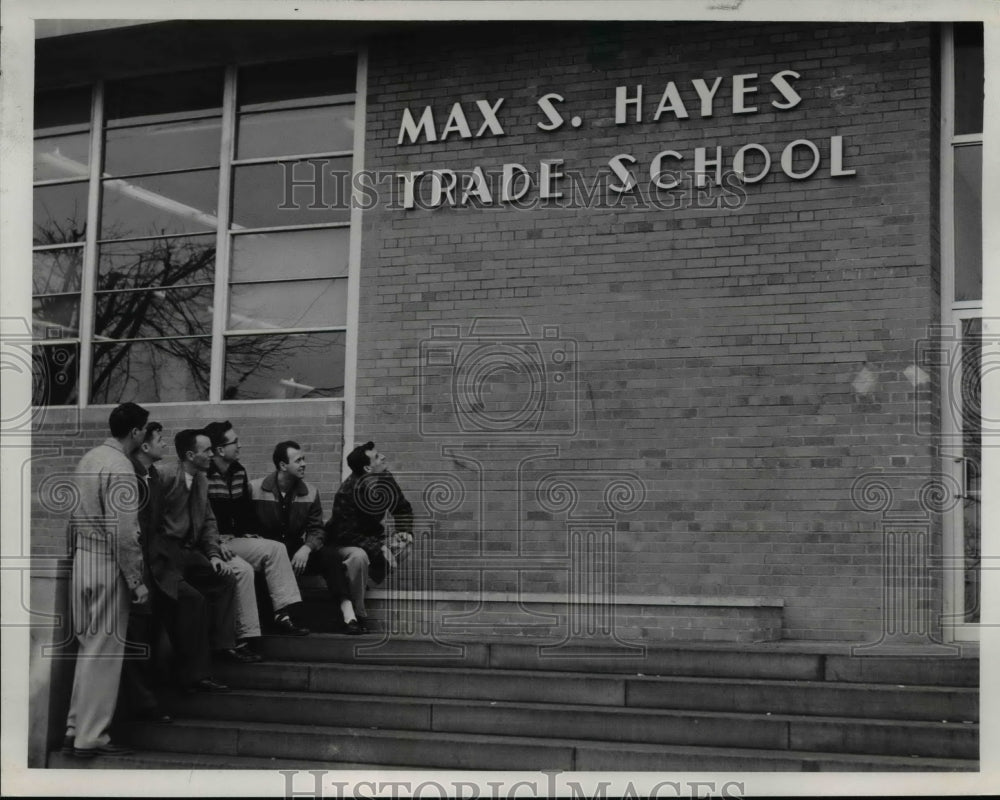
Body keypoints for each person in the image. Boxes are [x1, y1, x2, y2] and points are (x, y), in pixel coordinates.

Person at [63, 402, 149, 758]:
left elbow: (71, 514)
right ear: (134, 433)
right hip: (106, 560)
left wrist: (72, 558)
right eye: (143, 429)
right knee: (104, 652)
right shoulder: (121, 467)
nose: (145, 435)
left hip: (82, 557)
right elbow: (125, 531)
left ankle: (74, 728)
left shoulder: (89, 458)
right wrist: (136, 580)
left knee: (88, 649)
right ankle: (91, 737)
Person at [156, 429, 260, 669]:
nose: (212, 454)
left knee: (225, 579)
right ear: (191, 455)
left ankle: (224, 645)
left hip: (191, 552)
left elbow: (209, 521)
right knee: (190, 600)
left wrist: (213, 554)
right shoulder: (166, 476)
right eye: (207, 450)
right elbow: (152, 518)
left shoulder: (202, 480)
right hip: (167, 552)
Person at [204, 420, 308, 636]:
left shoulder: (238, 471)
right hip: (214, 542)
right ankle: (249, 635)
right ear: (221, 450)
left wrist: (251, 531)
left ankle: (283, 614)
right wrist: (215, 543)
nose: (239, 446)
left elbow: (244, 510)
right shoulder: (204, 475)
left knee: (276, 548)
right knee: (245, 571)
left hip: (234, 539)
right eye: (235, 442)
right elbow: (203, 518)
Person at [249, 441, 357, 633]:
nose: (304, 464)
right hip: (266, 553)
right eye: (298, 460)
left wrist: (306, 548)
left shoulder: (311, 492)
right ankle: (280, 618)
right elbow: (245, 525)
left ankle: (349, 616)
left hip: (294, 551)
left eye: (303, 459)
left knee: (331, 556)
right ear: (283, 465)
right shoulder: (254, 489)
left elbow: (317, 529)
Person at [325, 441, 414, 634]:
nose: (383, 457)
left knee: (405, 546)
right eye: (377, 456)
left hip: (371, 540)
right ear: (367, 468)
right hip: (341, 543)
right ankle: (357, 614)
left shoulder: (386, 479)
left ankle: (363, 581)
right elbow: (345, 533)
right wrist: (379, 548)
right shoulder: (347, 491)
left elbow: (402, 508)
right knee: (359, 557)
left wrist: (404, 531)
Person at [118, 421, 173, 725]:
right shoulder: (130, 477)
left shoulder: (155, 478)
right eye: (160, 440)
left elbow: (159, 527)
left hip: (156, 569)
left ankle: (147, 700)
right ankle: (141, 704)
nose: (165, 444)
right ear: (146, 446)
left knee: (152, 637)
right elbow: (130, 531)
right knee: (137, 637)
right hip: (138, 571)